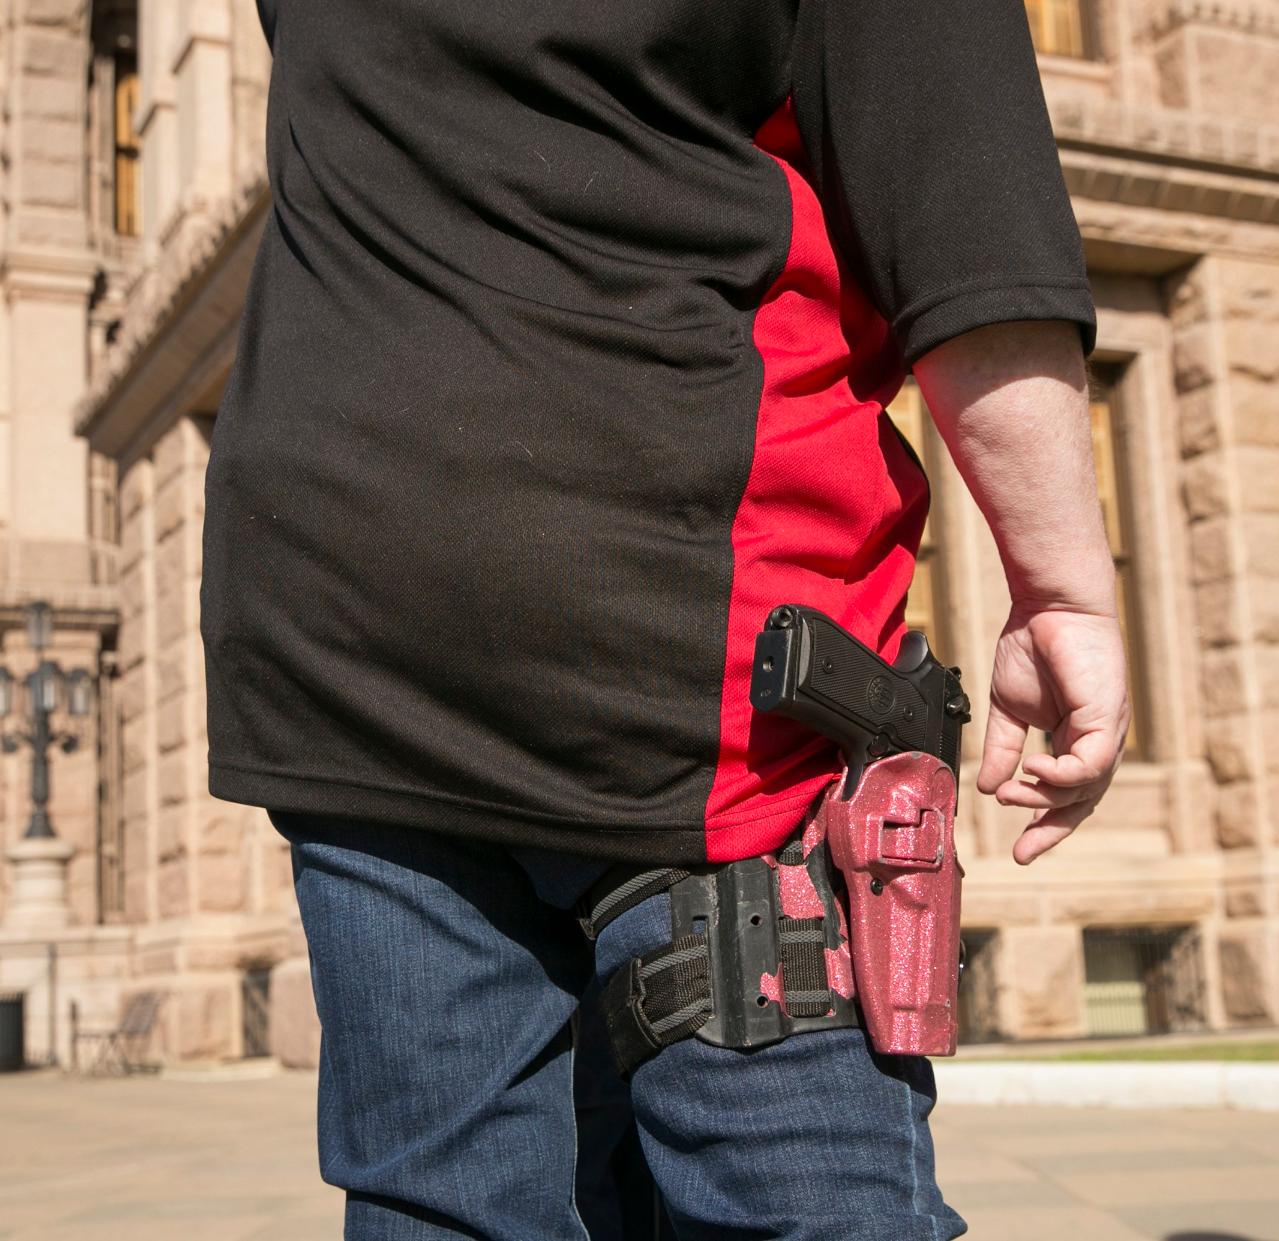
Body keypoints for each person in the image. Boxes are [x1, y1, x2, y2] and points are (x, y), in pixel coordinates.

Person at [201, 0, 1131, 1235]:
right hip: (685, 622)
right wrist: (1061, 583)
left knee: (445, 1199)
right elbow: (965, 213)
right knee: (798, 1193)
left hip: (340, 610)